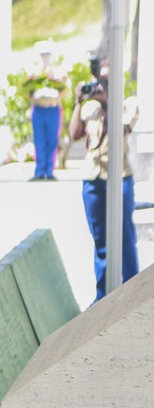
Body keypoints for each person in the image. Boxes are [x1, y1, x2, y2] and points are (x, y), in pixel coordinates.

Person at [68, 60, 140, 302]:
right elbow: (74, 135)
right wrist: (79, 103)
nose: (101, 87)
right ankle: (103, 300)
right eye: (101, 82)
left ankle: (133, 297)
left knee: (125, 239)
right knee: (102, 245)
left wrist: (108, 101)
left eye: (108, 82)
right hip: (94, 180)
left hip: (120, 178)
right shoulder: (91, 108)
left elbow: (123, 129)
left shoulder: (128, 104)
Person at [28, 40, 69, 181]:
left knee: (52, 139)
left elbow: (64, 88)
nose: (45, 57)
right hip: (39, 108)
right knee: (39, 140)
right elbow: (28, 89)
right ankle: (39, 170)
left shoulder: (57, 70)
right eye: (42, 54)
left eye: (47, 54)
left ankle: (49, 170)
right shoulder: (34, 70)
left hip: (52, 107)